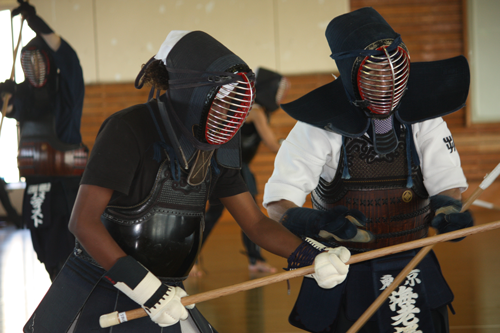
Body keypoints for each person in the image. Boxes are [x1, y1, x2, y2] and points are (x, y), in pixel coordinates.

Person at [23, 30, 358, 333]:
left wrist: (311, 256)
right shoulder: (128, 129)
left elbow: (254, 222)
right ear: (190, 91)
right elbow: (82, 223)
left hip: (168, 294)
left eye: (233, 100)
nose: (228, 111)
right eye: (220, 97)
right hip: (102, 287)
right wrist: (145, 289)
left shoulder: (220, 141)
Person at [263, 7, 473, 333]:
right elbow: (278, 205)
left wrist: (448, 208)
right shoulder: (317, 127)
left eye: (394, 69)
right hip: (345, 272)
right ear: (350, 73)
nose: (386, 81)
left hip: (411, 266)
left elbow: (446, 181)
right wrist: (315, 221)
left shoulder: (425, 117)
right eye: (374, 72)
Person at [0, 1, 87, 281]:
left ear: (50, 63)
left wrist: (35, 23)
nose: (34, 67)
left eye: (41, 60)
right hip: (37, 190)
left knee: (70, 256)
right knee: (48, 256)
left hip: (67, 190)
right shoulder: (24, 97)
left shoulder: (67, 92)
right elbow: (9, 107)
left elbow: (68, 56)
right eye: (30, 62)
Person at [192, 67, 289, 276]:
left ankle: (253, 260)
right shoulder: (255, 112)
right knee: (250, 216)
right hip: (234, 168)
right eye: (278, 90)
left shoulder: (252, 109)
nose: (280, 96)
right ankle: (193, 259)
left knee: (220, 215)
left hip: (231, 167)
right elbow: (272, 144)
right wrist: (296, 146)